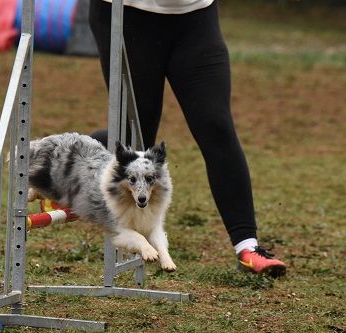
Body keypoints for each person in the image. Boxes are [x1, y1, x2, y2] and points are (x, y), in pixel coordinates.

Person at [88, 0, 286, 276]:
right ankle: (79, 156)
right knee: (137, 141)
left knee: (216, 125)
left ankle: (247, 246)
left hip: (195, 17)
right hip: (128, 16)